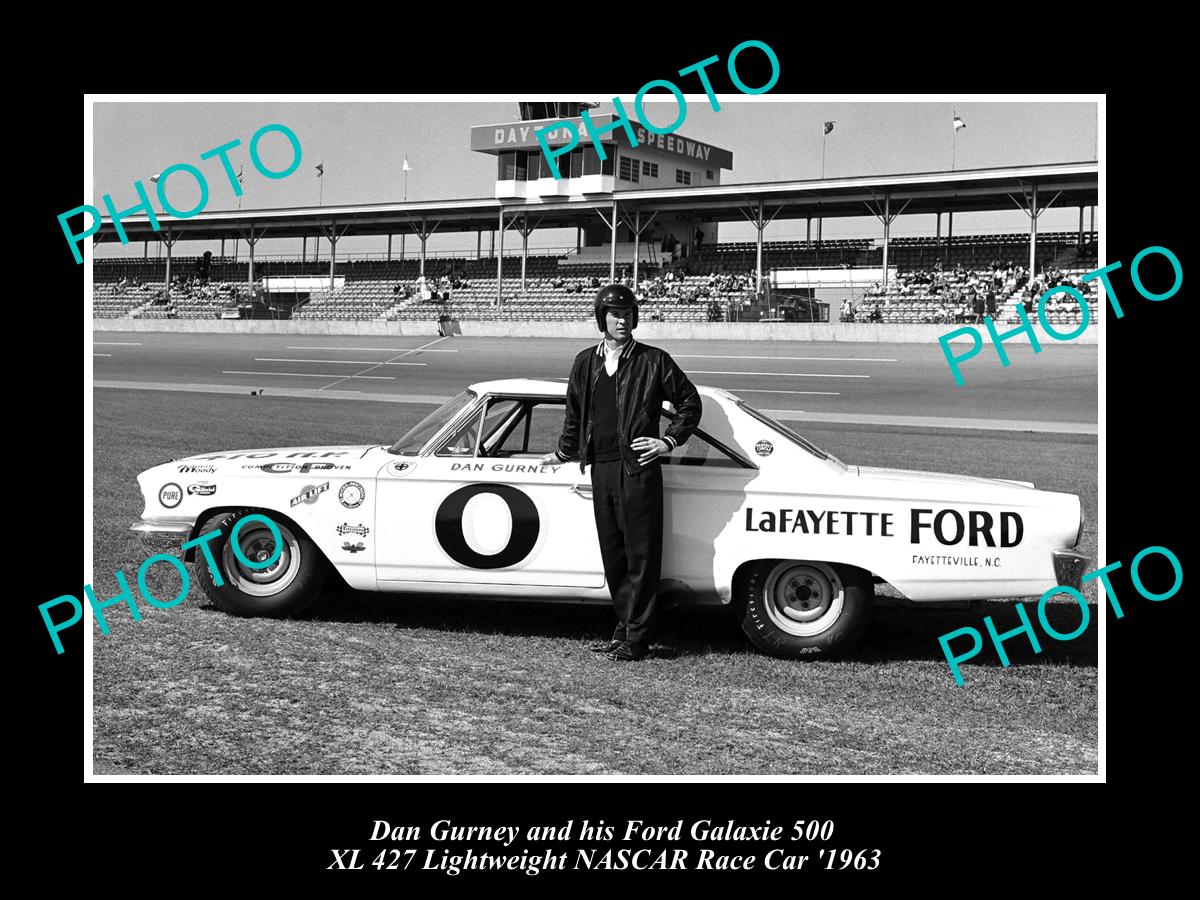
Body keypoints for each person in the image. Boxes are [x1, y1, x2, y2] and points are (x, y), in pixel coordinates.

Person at [539, 284, 701, 662]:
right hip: (602, 468)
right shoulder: (585, 361)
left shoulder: (654, 360)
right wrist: (564, 452)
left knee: (641, 554)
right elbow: (575, 415)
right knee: (614, 554)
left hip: (638, 469)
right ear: (602, 318)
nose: (622, 320)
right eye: (614, 314)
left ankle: (638, 638)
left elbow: (689, 403)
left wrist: (668, 442)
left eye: (627, 314)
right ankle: (624, 626)